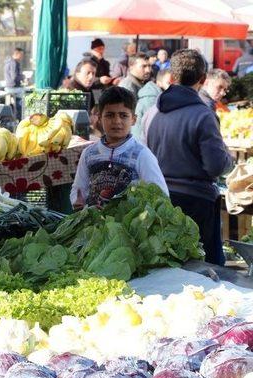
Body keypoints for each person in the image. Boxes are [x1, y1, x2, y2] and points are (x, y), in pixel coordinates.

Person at [142, 49, 233, 266]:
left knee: (169, 268)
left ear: (172, 77)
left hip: (160, 199)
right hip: (197, 202)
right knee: (206, 270)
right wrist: (229, 158)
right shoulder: (203, 115)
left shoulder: (151, 113)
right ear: (203, 80)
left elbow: (144, 156)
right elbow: (216, 166)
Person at [70, 86, 167, 209]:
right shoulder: (89, 154)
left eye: (123, 115)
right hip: (93, 225)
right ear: (100, 118)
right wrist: (77, 201)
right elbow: (78, 188)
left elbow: (161, 195)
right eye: (110, 115)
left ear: (133, 119)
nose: (116, 121)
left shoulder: (142, 155)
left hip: (128, 227)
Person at [133, 69, 171, 139]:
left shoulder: (159, 96)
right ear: (159, 83)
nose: (172, 86)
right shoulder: (151, 99)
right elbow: (152, 127)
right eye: (168, 83)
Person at [4, 47, 25, 120]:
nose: (22, 57)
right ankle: (21, 117)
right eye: (21, 55)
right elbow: (14, 77)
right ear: (17, 54)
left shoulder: (8, 61)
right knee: (26, 93)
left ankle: (18, 113)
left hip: (8, 87)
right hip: (13, 88)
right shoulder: (14, 63)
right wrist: (23, 76)